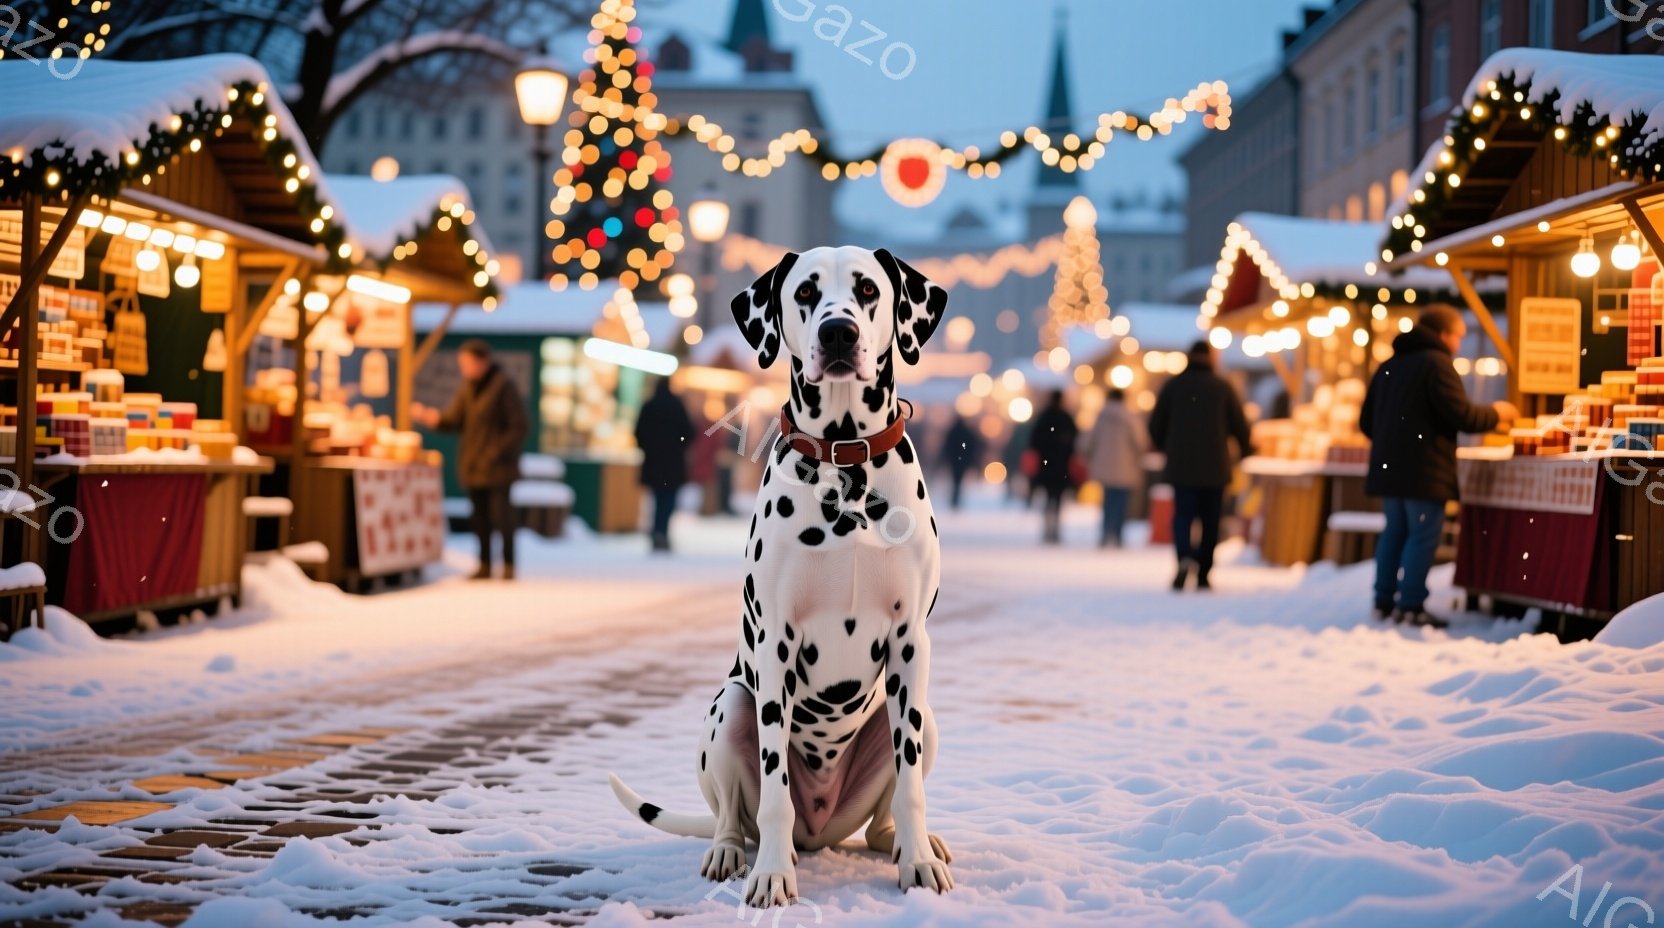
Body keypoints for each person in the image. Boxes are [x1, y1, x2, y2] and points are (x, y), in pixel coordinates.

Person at [1360, 305, 1518, 628]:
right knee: (1422, 536)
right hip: (1423, 470)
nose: (1459, 343)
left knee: (1394, 532)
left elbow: (1365, 422)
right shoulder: (1437, 364)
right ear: (1444, 334)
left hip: (1390, 469)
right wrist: (1498, 413)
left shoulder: (1389, 365)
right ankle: (1412, 605)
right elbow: (1462, 416)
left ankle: (1384, 600)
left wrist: (1393, 440)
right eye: (1459, 336)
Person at [411, 339, 527, 580]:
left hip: (498, 467)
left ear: (482, 362)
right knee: (480, 518)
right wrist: (433, 418)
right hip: (473, 464)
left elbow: (519, 426)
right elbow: (455, 420)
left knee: (501, 517)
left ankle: (508, 565)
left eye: (467, 363)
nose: (464, 368)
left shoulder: (503, 386)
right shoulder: (468, 388)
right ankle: (484, 564)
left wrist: (496, 452)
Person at [1149, 340, 1252, 592]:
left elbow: (1155, 426)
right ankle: (1204, 571)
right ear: (1211, 358)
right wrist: (1245, 449)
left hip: (1181, 466)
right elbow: (1240, 426)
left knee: (1183, 516)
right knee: (1210, 520)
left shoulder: (1173, 387)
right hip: (1215, 467)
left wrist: (1167, 447)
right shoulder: (1222, 387)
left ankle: (1184, 556)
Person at [1080, 388, 1147, 548]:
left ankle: (1105, 532)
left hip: (1104, 466)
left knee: (1108, 500)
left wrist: (1090, 456)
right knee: (1122, 501)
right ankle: (1118, 534)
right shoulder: (1131, 418)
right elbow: (1141, 442)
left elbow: (1086, 442)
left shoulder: (1100, 417)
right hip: (1126, 466)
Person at [634, 377, 695, 552]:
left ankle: (657, 531)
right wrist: (678, 445)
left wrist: (649, 447)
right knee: (668, 500)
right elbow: (688, 433)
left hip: (654, 463)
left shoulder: (649, 405)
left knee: (657, 498)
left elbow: (638, 432)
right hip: (673, 463)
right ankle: (662, 532)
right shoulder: (677, 406)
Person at [1027, 390, 1079, 544]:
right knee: (1058, 497)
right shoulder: (1066, 418)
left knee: (1048, 496)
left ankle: (1048, 527)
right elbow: (1075, 441)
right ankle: (1055, 527)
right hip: (1061, 465)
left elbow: (1034, 441)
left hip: (1046, 465)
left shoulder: (1043, 417)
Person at [940, 415, 984, 510]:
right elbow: (972, 446)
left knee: (955, 479)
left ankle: (954, 498)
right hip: (963, 460)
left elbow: (947, 446)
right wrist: (969, 459)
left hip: (954, 460)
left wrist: (948, 457)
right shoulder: (967, 432)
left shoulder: (952, 431)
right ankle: (956, 498)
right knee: (958, 480)